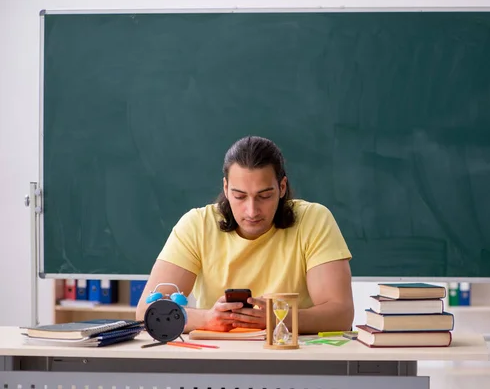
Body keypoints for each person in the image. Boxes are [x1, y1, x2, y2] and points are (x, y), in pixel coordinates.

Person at [136, 136, 354, 334]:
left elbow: (340, 314)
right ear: (226, 187)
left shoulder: (313, 220)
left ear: (282, 187)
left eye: (265, 196)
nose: (252, 211)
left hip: (292, 357)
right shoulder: (197, 225)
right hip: (218, 359)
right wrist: (208, 318)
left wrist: (277, 319)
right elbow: (147, 312)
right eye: (239, 196)